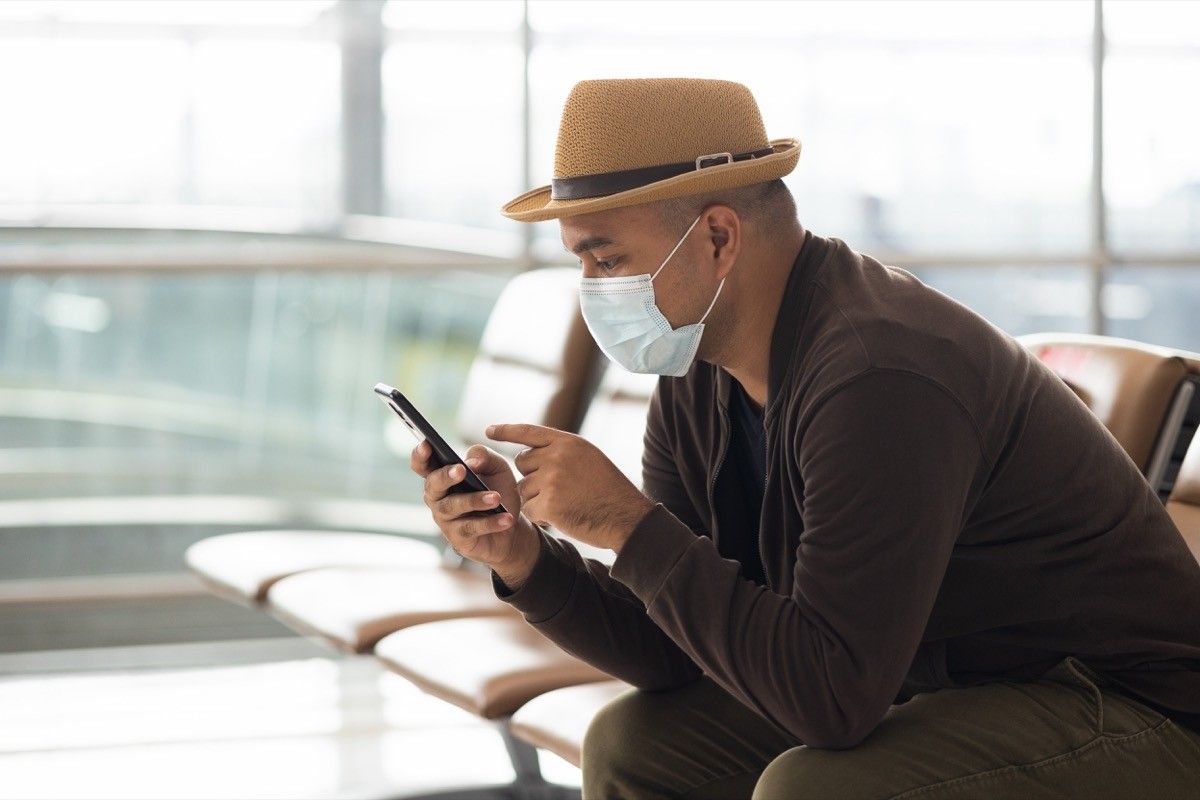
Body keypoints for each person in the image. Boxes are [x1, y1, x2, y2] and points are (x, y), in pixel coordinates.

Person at [410, 78, 1200, 798]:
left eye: (605, 257)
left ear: (718, 237)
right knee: (633, 743)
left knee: (814, 790)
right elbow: (672, 654)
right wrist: (524, 559)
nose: (592, 289)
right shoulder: (698, 371)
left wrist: (628, 525)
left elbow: (832, 702)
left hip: (1125, 708)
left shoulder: (879, 374)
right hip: (940, 680)